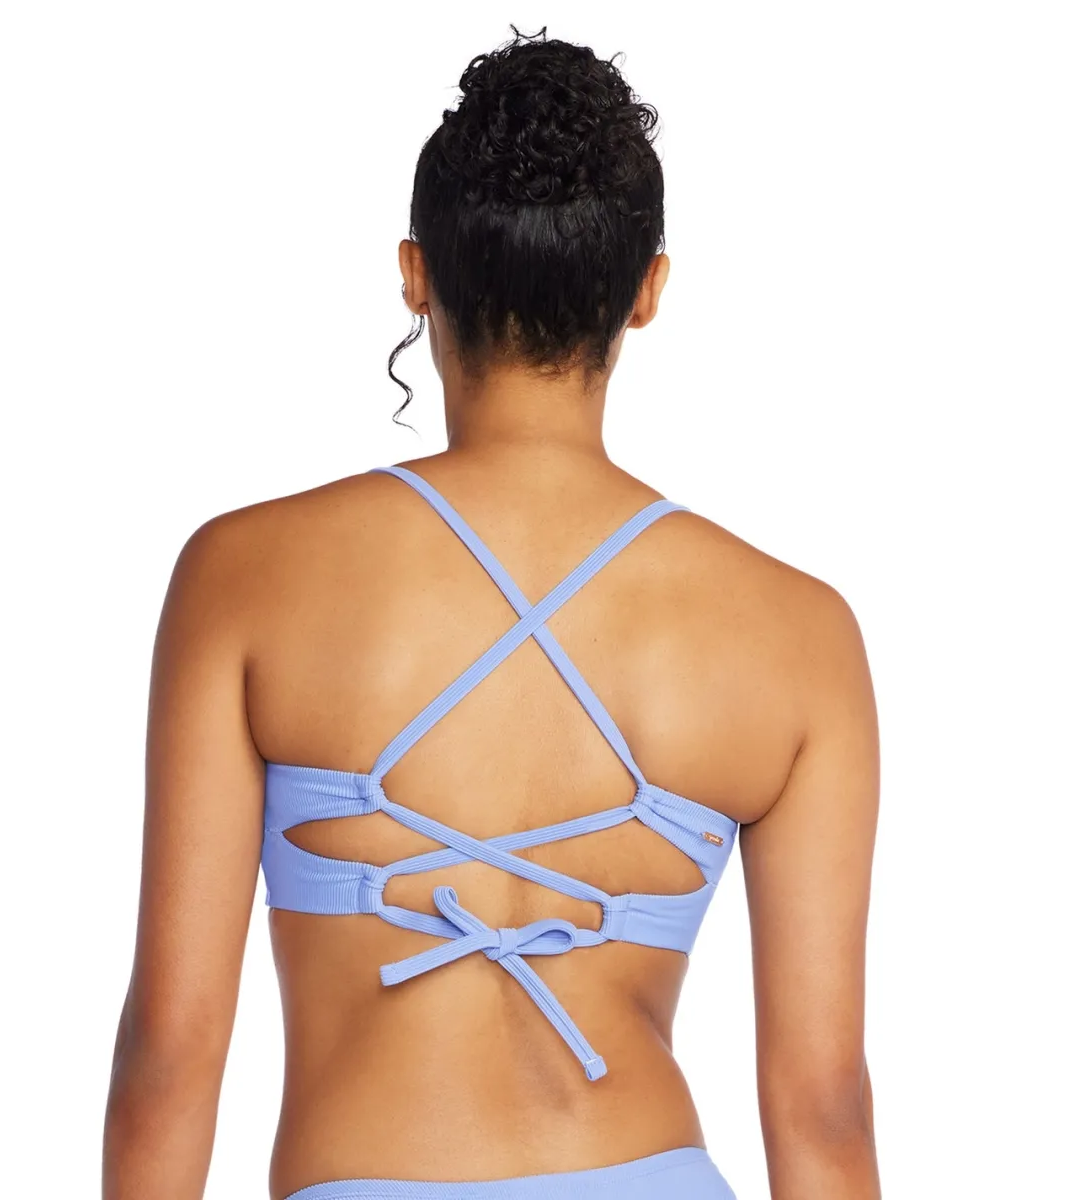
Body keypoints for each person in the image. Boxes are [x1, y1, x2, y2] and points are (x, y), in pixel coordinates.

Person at [103, 26, 881, 1200]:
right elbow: (824, 1109)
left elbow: (170, 1056)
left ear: (416, 274)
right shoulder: (799, 633)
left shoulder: (245, 575)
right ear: (647, 292)